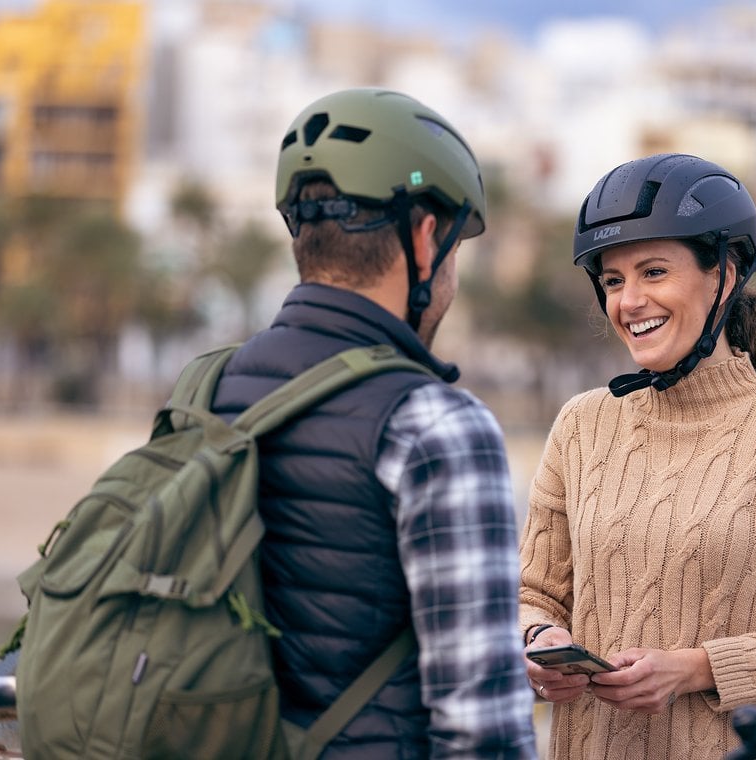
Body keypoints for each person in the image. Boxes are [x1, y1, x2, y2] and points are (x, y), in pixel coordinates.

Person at [518, 153, 756, 759]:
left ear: (722, 274)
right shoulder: (581, 425)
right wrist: (541, 641)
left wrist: (698, 668)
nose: (630, 301)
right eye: (614, 281)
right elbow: (532, 593)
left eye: (653, 272)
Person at [210, 88, 538, 758]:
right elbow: (483, 730)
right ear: (424, 237)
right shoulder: (436, 427)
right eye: (452, 250)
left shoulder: (213, 388)